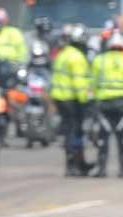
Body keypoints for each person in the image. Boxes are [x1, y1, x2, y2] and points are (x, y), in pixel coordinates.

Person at [51, 24, 93, 177]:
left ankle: (79, 163)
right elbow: (79, 83)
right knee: (74, 132)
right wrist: (86, 102)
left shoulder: (63, 53)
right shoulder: (77, 57)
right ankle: (73, 165)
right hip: (71, 100)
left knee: (70, 131)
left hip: (60, 97)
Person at [90, 31, 123, 177]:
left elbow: (93, 84)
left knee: (103, 136)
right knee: (121, 137)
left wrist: (93, 101)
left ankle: (102, 169)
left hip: (104, 104)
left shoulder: (99, 60)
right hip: (121, 104)